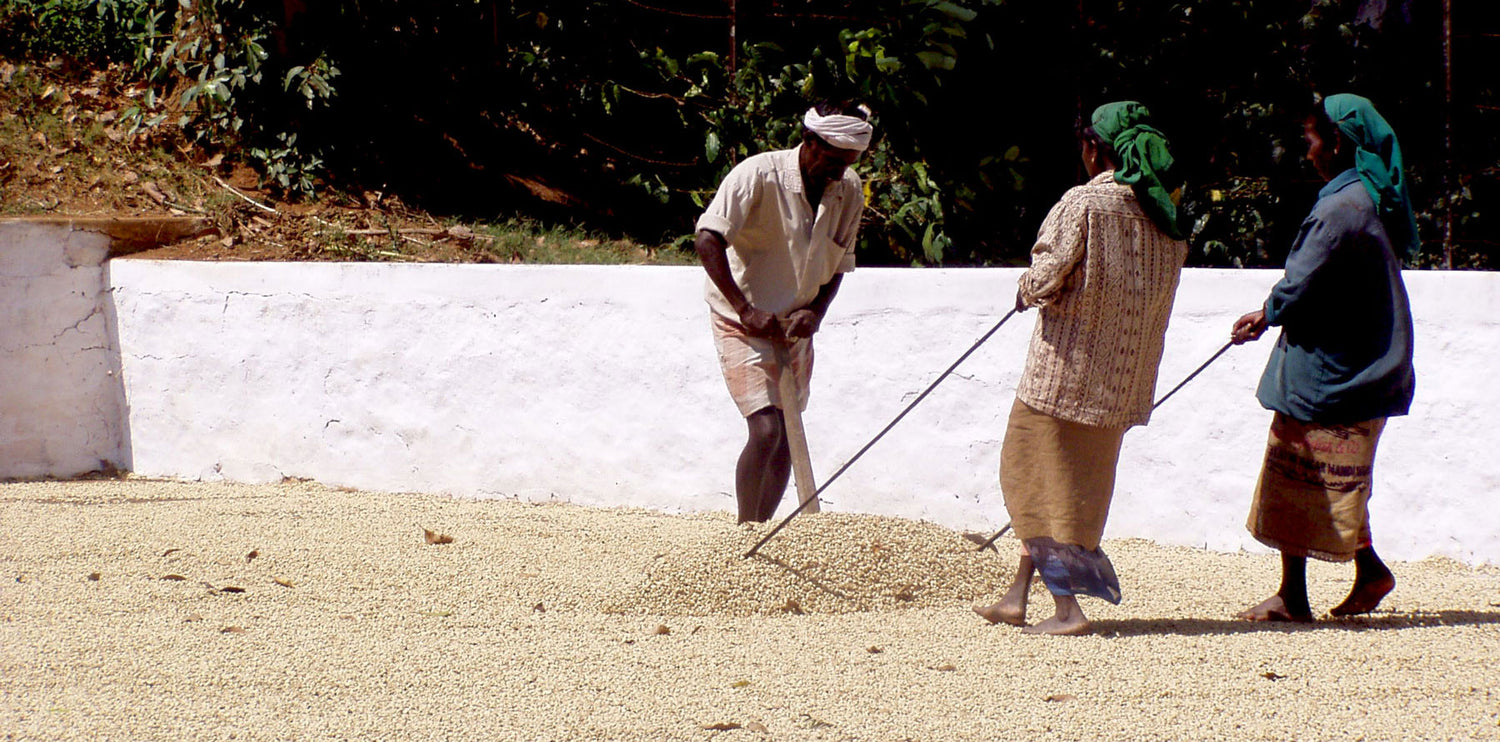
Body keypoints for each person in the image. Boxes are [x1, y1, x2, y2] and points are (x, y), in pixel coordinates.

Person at [973, 101, 1190, 635]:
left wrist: (1025, 291)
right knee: (1076, 488)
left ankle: (1068, 609)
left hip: (1061, 380)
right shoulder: (1165, 214)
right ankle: (1016, 596)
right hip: (1119, 385)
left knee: (1035, 484)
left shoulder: (1085, 203)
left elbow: (1046, 277)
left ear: (1094, 148)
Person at [1229, 93, 1417, 622]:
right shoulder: (1370, 197)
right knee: (1336, 482)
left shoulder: (1340, 208)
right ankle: (1363, 573)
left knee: (1298, 474)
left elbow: (1302, 281)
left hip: (1330, 371)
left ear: (1337, 142)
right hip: (1363, 361)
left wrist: (1266, 314)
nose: (1307, 151)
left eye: (1311, 139)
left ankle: (1294, 596)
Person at [694, 101, 872, 524]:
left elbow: (839, 262)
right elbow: (707, 238)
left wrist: (817, 311)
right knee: (767, 430)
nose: (839, 173)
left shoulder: (848, 189)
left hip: (794, 326)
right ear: (810, 141)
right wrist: (745, 309)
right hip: (742, 321)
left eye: (848, 163)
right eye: (833, 161)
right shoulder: (758, 174)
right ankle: (745, 530)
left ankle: (763, 530)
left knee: (789, 433)